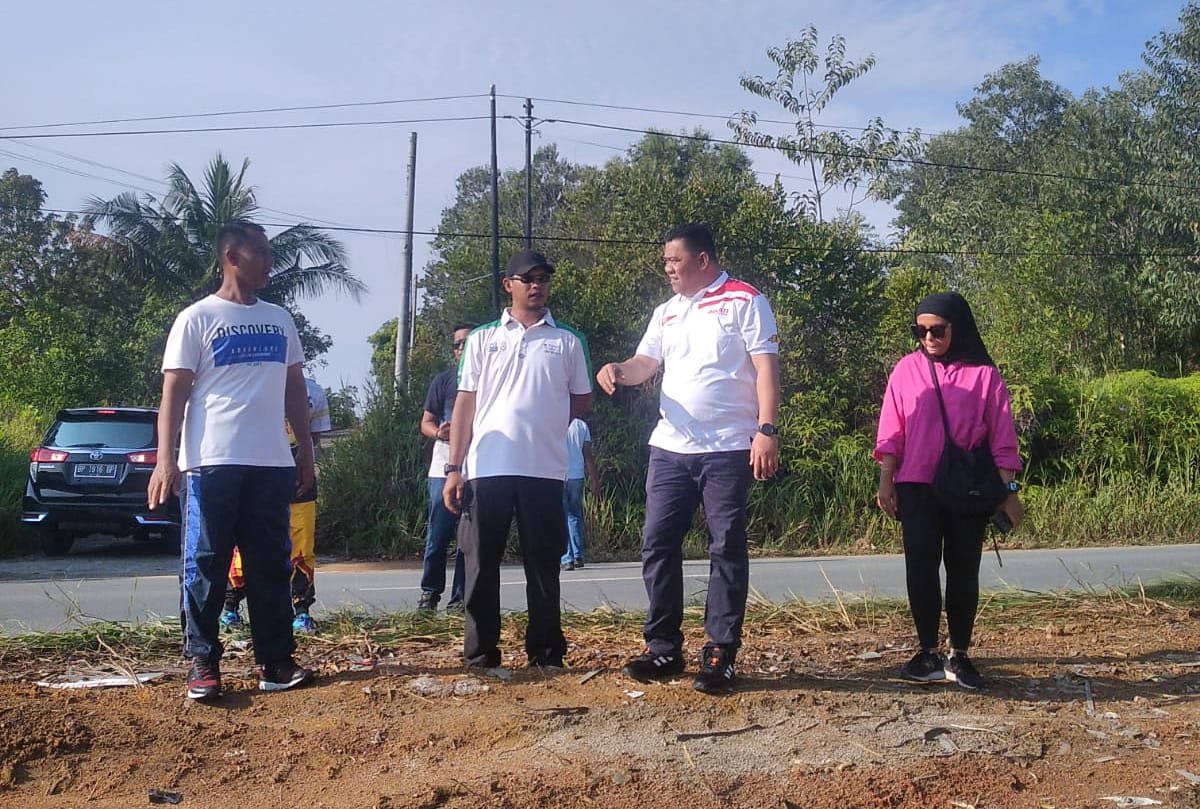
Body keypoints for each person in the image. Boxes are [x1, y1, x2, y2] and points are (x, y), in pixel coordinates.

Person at [595, 223, 781, 695]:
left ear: (702, 260)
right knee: (657, 543)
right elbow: (645, 364)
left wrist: (766, 431)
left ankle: (720, 652)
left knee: (726, 546)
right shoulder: (667, 312)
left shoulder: (745, 300)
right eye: (665, 262)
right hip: (671, 447)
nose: (668, 269)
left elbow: (766, 370)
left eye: (674, 260)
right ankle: (663, 647)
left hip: (728, 446)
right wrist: (619, 369)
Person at [150, 220, 316, 701]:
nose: (270, 261)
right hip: (211, 463)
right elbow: (173, 395)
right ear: (232, 257)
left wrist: (304, 453)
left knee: (269, 564)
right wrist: (166, 461)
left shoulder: (280, 319)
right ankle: (202, 662)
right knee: (206, 564)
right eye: (260, 252)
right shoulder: (196, 318)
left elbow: (294, 389)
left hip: (270, 465)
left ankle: (275, 662)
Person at [443, 249, 592, 670]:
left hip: (544, 470)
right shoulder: (482, 338)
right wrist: (454, 469)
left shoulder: (568, 341)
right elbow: (465, 406)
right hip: (486, 468)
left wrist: (542, 427)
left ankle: (546, 655)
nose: (537, 285)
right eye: (527, 278)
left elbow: (581, 401)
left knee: (543, 567)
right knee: (480, 566)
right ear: (508, 284)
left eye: (543, 278)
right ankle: (481, 656)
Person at [874, 291, 1024, 691]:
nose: (928, 337)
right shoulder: (905, 370)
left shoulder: (984, 375)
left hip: (967, 490)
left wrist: (1009, 490)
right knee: (920, 569)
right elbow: (892, 431)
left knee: (962, 570)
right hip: (916, 486)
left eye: (936, 329)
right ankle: (927, 653)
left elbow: (1003, 440)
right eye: (920, 330)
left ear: (957, 327)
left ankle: (960, 654)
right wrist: (886, 480)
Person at [221, 375, 332, 633]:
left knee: (301, 546)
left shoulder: (313, 391)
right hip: (254, 476)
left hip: (297, 479)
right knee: (243, 543)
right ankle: (230, 609)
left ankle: (301, 611)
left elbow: (312, 438)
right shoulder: (246, 382)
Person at [417, 322, 474, 612]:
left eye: (467, 342)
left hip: (475, 467)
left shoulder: (486, 379)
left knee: (469, 539)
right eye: (457, 344)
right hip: (442, 469)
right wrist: (439, 432)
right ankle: (430, 595)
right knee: (438, 537)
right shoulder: (442, 381)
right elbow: (426, 422)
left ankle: (460, 600)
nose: (462, 348)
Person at [560, 416, 600, 571]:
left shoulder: (555, 420)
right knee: (575, 514)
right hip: (577, 476)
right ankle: (578, 555)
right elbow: (588, 455)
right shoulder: (582, 426)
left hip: (560, 475)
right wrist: (594, 480)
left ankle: (566, 557)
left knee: (562, 516)